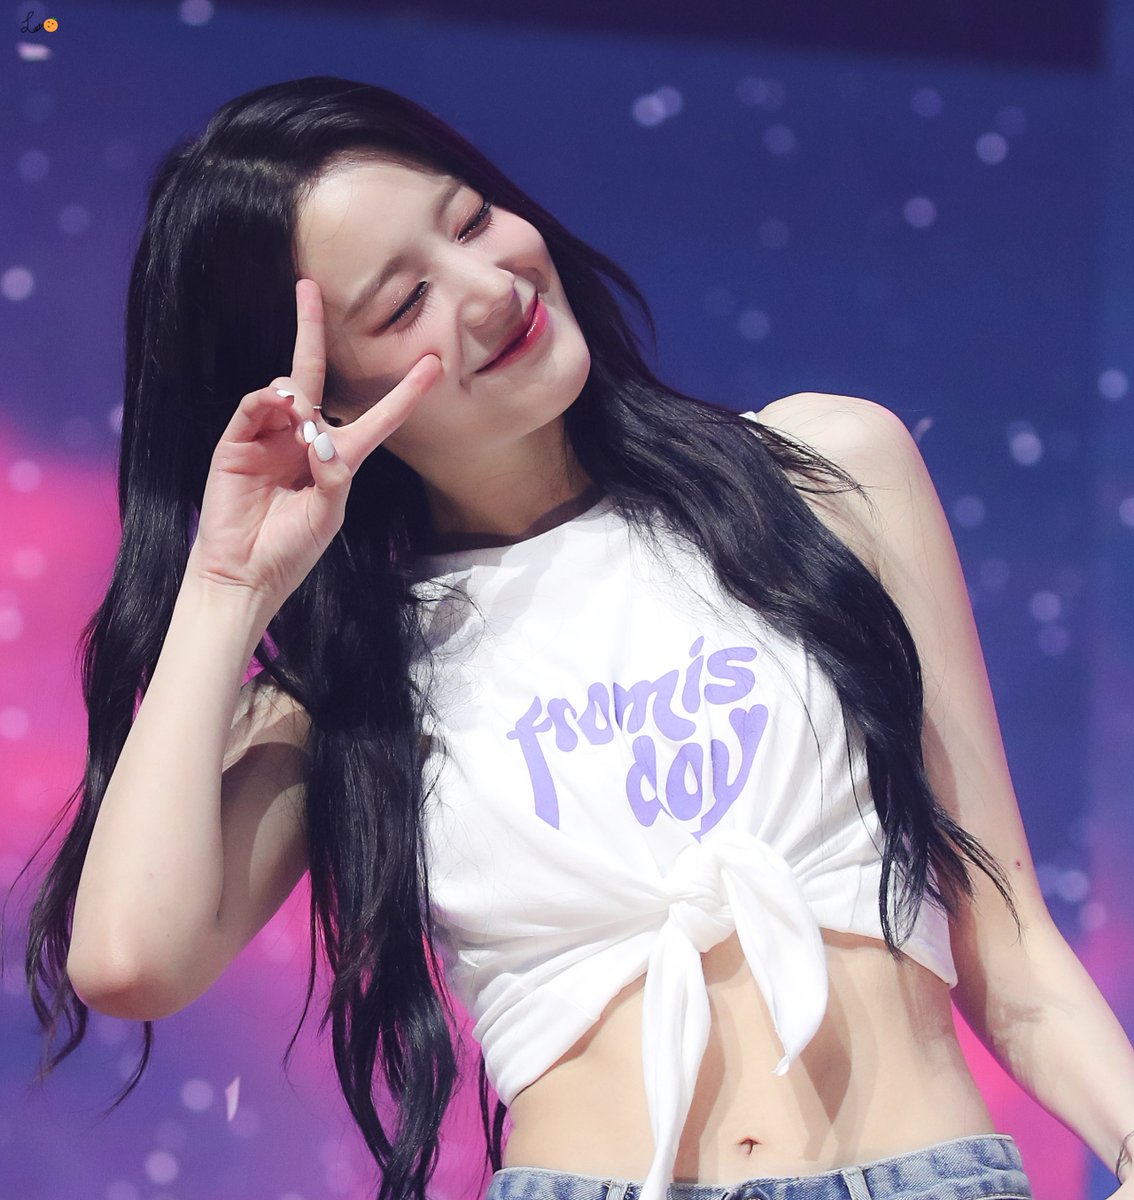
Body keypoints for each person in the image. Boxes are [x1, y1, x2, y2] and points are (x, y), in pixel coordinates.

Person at [22, 75, 1134, 1200]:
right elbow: (129, 959)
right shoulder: (352, 688)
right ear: (325, 395)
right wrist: (228, 587)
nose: (488, 288)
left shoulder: (825, 475)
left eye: (470, 221)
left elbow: (1012, 947)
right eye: (404, 303)